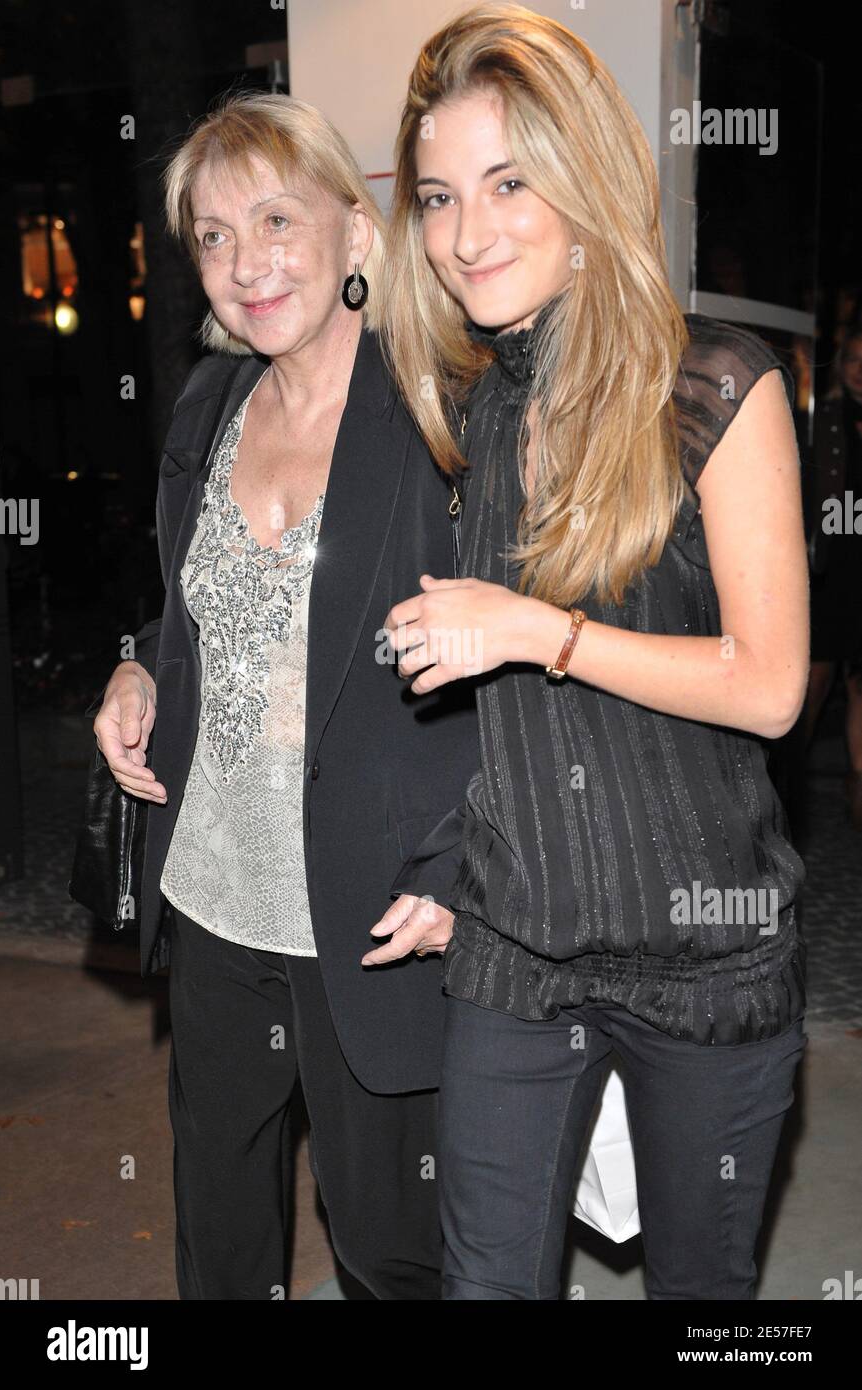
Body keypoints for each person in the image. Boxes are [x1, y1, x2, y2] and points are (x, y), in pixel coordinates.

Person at [375, 3, 810, 1300]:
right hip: (518, 948)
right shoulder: (477, 412)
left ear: (583, 179)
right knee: (484, 1284)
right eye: (441, 195)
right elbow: (461, 704)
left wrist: (542, 633)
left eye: (508, 182)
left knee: (701, 1292)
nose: (466, 233)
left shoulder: (716, 388)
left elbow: (771, 685)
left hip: (707, 961)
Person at [90, 91, 479, 1301]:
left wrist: (462, 867)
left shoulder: (438, 414)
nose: (243, 264)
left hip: (369, 911)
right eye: (211, 236)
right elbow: (193, 608)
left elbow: (514, 672)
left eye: (274, 220)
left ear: (356, 236)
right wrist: (138, 663)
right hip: (211, 893)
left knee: (386, 1250)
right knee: (220, 1240)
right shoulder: (209, 407)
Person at [800, 328, 862, 828]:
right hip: (829, 564)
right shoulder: (825, 419)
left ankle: (857, 794)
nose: (860, 369)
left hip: (859, 562)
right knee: (815, 677)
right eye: (853, 359)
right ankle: (787, 781)